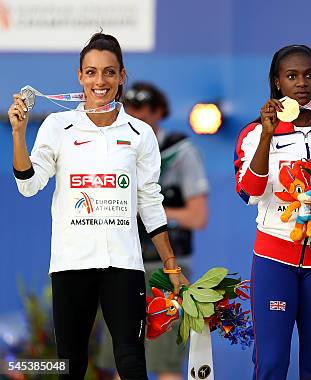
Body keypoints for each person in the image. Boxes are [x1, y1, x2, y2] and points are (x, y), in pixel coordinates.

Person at [8, 33, 188, 380]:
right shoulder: (58, 127)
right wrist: (19, 134)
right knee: (70, 365)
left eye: (109, 72)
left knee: (132, 361)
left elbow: (149, 201)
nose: (99, 81)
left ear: (122, 75)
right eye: (91, 72)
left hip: (124, 263)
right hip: (71, 263)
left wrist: (170, 265)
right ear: (79, 76)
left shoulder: (139, 133)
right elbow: (29, 185)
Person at [234, 45, 311, 380]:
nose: (302, 82)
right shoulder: (254, 134)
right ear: (277, 83)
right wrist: (267, 136)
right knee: (272, 362)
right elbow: (248, 193)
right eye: (292, 75)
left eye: (309, 74)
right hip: (275, 261)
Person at [95, 82, 210, 380]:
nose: (139, 117)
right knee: (123, 355)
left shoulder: (181, 153)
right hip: (121, 263)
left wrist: (148, 210)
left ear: (160, 112)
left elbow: (198, 217)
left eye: (146, 111)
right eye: (132, 111)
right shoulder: (112, 150)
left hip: (166, 268)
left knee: (166, 361)